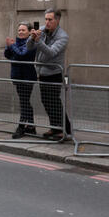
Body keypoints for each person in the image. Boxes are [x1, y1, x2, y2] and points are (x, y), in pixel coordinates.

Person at [27, 8, 71, 140]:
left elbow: (51, 52)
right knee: (46, 101)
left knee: (55, 102)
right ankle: (54, 128)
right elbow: (29, 47)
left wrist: (38, 41)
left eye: (50, 19)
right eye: (45, 19)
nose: (47, 22)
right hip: (42, 72)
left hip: (54, 73)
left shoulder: (62, 37)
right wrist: (32, 38)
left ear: (57, 20)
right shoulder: (42, 30)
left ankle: (66, 130)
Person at [5, 22, 38, 139]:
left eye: (23, 30)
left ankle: (21, 127)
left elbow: (23, 55)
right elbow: (8, 55)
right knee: (25, 101)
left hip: (27, 77)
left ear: (29, 32)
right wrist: (9, 47)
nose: (20, 32)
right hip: (17, 76)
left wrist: (12, 47)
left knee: (24, 102)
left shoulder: (31, 42)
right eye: (19, 30)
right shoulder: (16, 42)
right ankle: (31, 127)